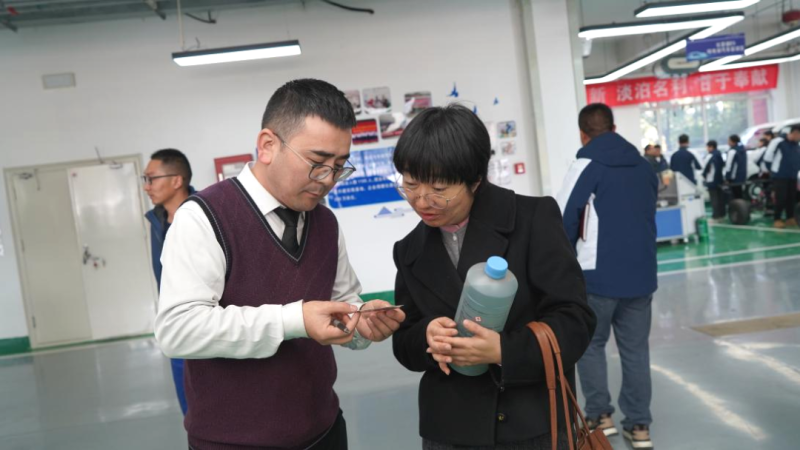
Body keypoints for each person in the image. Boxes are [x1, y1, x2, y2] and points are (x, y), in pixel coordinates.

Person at [155, 79, 406, 450]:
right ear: (268, 145)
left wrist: (361, 324)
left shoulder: (325, 223)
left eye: (339, 166)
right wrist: (294, 320)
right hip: (233, 443)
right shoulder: (204, 217)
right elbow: (178, 329)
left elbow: (343, 304)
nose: (328, 180)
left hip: (324, 432)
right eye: (317, 163)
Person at [391, 104, 596, 449]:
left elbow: (575, 320)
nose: (422, 201)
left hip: (530, 425)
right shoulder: (410, 251)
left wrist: (504, 350)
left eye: (439, 188)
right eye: (410, 185)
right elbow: (404, 342)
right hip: (450, 430)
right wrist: (427, 337)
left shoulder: (532, 219)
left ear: (475, 180)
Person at [556, 103, 657, 450]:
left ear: (583, 134)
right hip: (642, 274)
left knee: (591, 346)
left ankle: (600, 417)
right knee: (636, 350)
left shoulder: (586, 165)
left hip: (596, 276)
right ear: (613, 129)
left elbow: (563, 219)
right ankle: (639, 426)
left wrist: (564, 266)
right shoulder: (644, 166)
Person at [143, 148, 195, 416]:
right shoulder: (157, 221)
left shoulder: (207, 216)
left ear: (177, 180)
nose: (146, 186)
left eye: (152, 179)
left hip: (209, 328)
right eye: (145, 179)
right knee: (190, 413)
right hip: (176, 329)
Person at [766, 125, 800, 228]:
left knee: (791, 198)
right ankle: (777, 219)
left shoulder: (796, 145)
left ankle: (790, 218)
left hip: (792, 176)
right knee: (781, 198)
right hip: (780, 176)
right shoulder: (778, 141)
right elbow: (768, 158)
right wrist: (773, 172)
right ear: (795, 133)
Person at [702, 140, 726, 220]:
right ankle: (722, 213)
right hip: (719, 179)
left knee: (714, 198)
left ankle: (716, 215)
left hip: (711, 180)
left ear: (711, 147)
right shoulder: (719, 154)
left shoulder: (710, 155)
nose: (707, 149)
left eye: (707, 147)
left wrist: (704, 176)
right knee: (720, 197)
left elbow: (704, 167)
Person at [725, 134, 748, 199]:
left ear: (733, 141)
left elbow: (729, 165)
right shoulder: (742, 149)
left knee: (735, 195)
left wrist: (727, 177)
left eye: (729, 141)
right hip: (741, 175)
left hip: (733, 177)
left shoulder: (732, 151)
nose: (728, 142)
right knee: (739, 193)